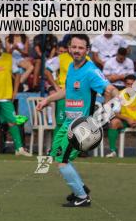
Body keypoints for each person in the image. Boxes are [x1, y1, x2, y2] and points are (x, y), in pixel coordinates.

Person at [36, 34, 118, 208]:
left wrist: (115, 101)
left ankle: (82, 197)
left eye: (81, 48)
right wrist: (47, 100)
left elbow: (109, 88)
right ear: (68, 48)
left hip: (82, 126)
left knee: (62, 161)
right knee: (55, 155)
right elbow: (67, 90)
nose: (77, 51)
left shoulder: (91, 71)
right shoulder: (71, 67)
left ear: (87, 50)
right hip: (68, 122)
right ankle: (81, 188)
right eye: (74, 47)